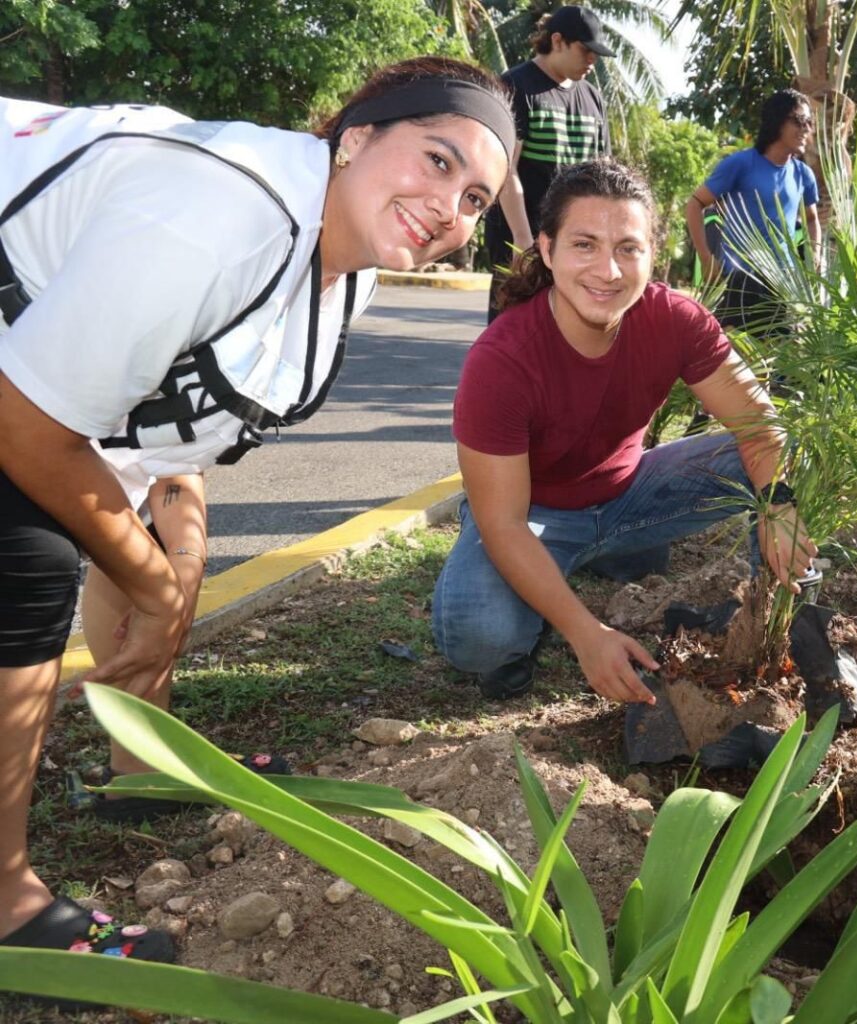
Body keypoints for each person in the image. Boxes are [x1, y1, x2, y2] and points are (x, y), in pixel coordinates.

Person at [0, 57, 512, 970]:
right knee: (27, 554)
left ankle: (143, 767)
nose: (450, 208)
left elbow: (164, 439)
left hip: (29, 362)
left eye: (476, 198)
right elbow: (30, 430)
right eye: (437, 161)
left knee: (159, 545)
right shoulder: (219, 213)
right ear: (355, 137)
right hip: (16, 388)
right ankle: (5, 908)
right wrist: (154, 594)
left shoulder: (342, 263)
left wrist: (172, 566)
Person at [433, 160, 816, 702]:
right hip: (531, 517)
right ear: (547, 250)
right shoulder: (502, 358)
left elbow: (760, 426)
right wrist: (587, 634)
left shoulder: (675, 319)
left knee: (777, 462)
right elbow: (504, 524)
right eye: (584, 244)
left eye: (628, 248)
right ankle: (553, 595)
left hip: (631, 494)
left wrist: (779, 506)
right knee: (481, 640)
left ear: (652, 256)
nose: (608, 271)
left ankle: (768, 618)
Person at [483, 4, 613, 323]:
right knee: (513, 329)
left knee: (567, 334)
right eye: (586, 51)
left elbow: (603, 176)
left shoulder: (593, 99)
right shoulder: (516, 86)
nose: (592, 62)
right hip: (521, 236)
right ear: (558, 41)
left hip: (573, 243)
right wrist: (523, 241)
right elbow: (506, 169)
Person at [686, 89, 821, 336]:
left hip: (784, 284)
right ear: (777, 121)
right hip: (740, 282)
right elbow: (695, 204)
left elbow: (811, 219)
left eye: (809, 122)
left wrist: (815, 256)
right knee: (733, 365)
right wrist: (707, 259)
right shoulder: (740, 164)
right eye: (799, 121)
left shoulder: (803, 174)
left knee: (786, 369)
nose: (806, 129)